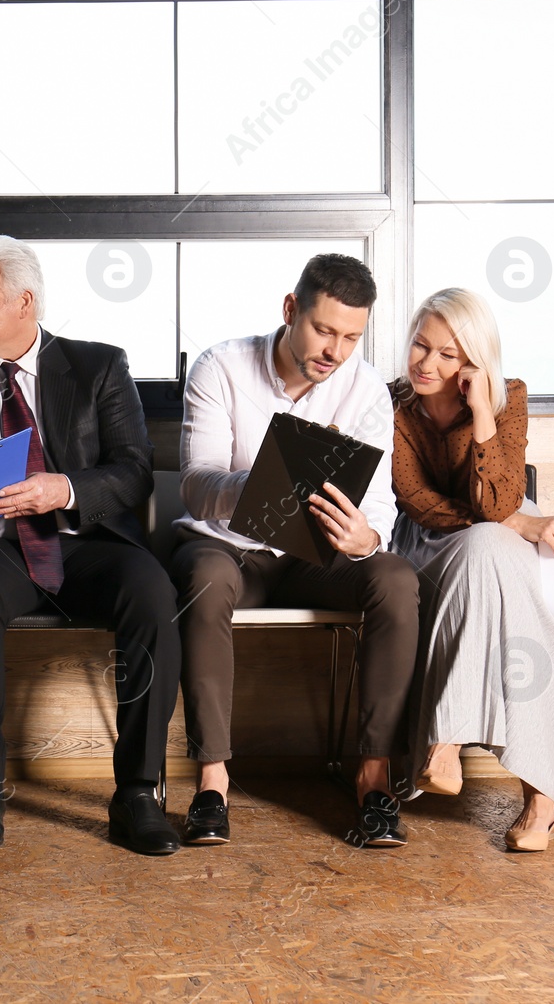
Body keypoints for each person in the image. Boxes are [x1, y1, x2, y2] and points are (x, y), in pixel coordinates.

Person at [0, 235, 182, 856]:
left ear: (23, 301)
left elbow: (135, 470)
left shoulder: (98, 365)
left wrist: (62, 488)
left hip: (85, 540)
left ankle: (138, 792)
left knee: (152, 593)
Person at [172, 253, 418, 848]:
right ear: (291, 311)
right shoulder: (221, 367)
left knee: (397, 580)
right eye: (325, 330)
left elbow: (379, 504)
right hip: (230, 549)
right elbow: (196, 484)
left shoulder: (364, 391)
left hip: (317, 557)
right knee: (203, 580)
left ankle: (374, 775)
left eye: (351, 338)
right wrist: (261, 483)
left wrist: (367, 537)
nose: (336, 350)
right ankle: (212, 783)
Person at [391, 287, 554, 853]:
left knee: (534, 599)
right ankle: (542, 795)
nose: (427, 364)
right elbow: (413, 499)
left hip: (501, 537)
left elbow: (502, 495)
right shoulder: (394, 405)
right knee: (487, 545)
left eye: (448, 355)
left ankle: (448, 741)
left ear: (475, 361)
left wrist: (482, 412)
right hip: (431, 543)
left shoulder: (509, 398)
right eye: (420, 346)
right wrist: (514, 525)